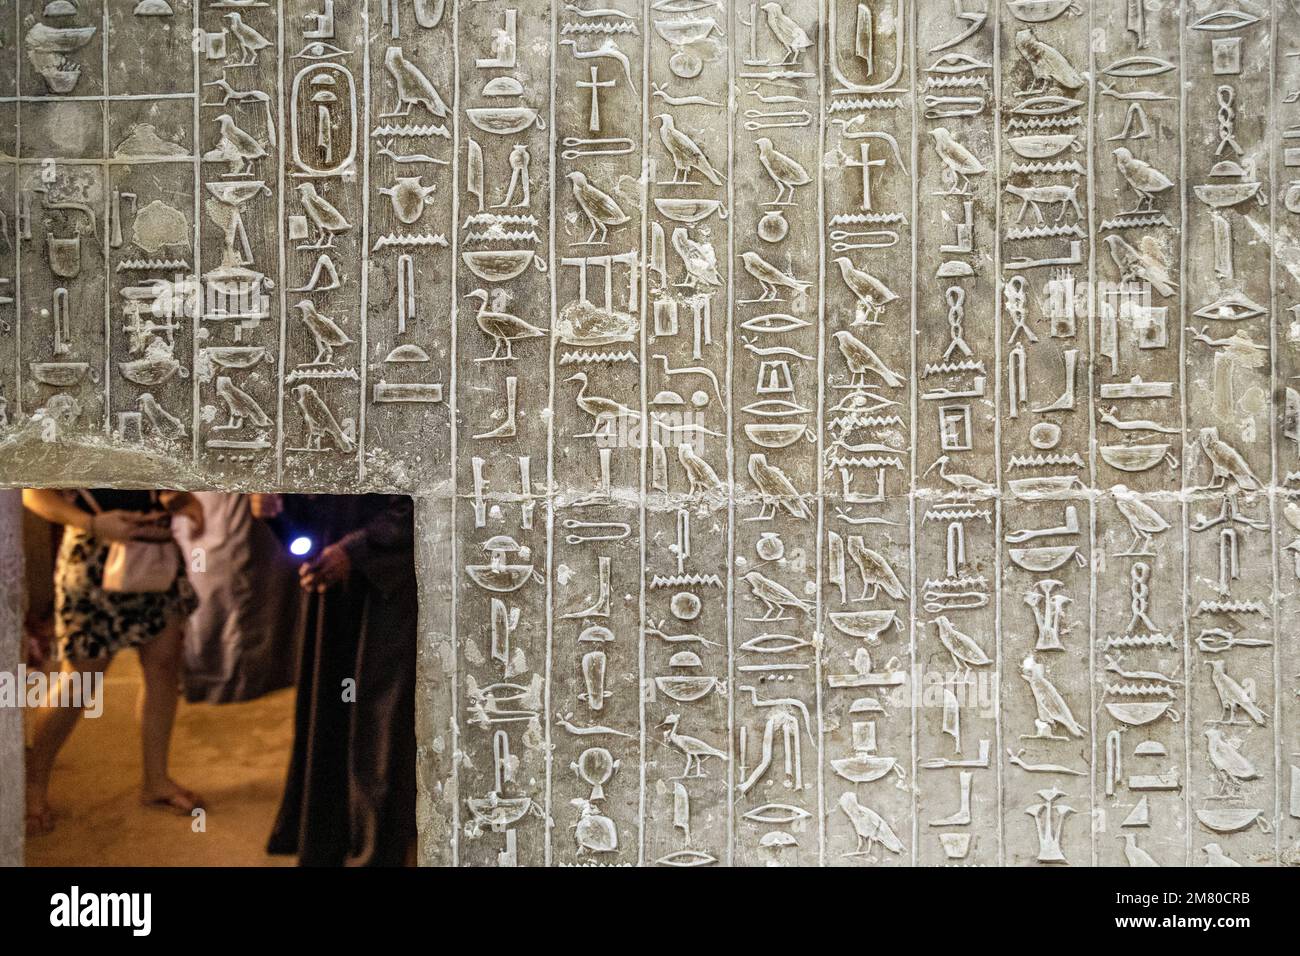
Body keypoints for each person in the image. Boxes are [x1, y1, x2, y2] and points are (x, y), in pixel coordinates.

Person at [22, 488, 206, 836]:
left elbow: (167, 479)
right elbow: (32, 493)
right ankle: (33, 786)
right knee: (80, 681)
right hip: (92, 556)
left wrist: (184, 503)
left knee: (163, 668)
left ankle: (156, 781)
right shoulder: (69, 430)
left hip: (156, 553)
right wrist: (91, 522)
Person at [252, 493, 417, 867]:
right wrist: (278, 504)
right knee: (333, 709)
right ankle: (333, 835)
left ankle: (378, 847)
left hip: (395, 584)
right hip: (335, 568)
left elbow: (433, 490)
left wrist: (359, 549)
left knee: (382, 722)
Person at [172, 492, 300, 704]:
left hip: (238, 505)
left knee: (247, 580)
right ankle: (218, 677)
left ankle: (239, 676)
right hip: (215, 504)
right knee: (216, 579)